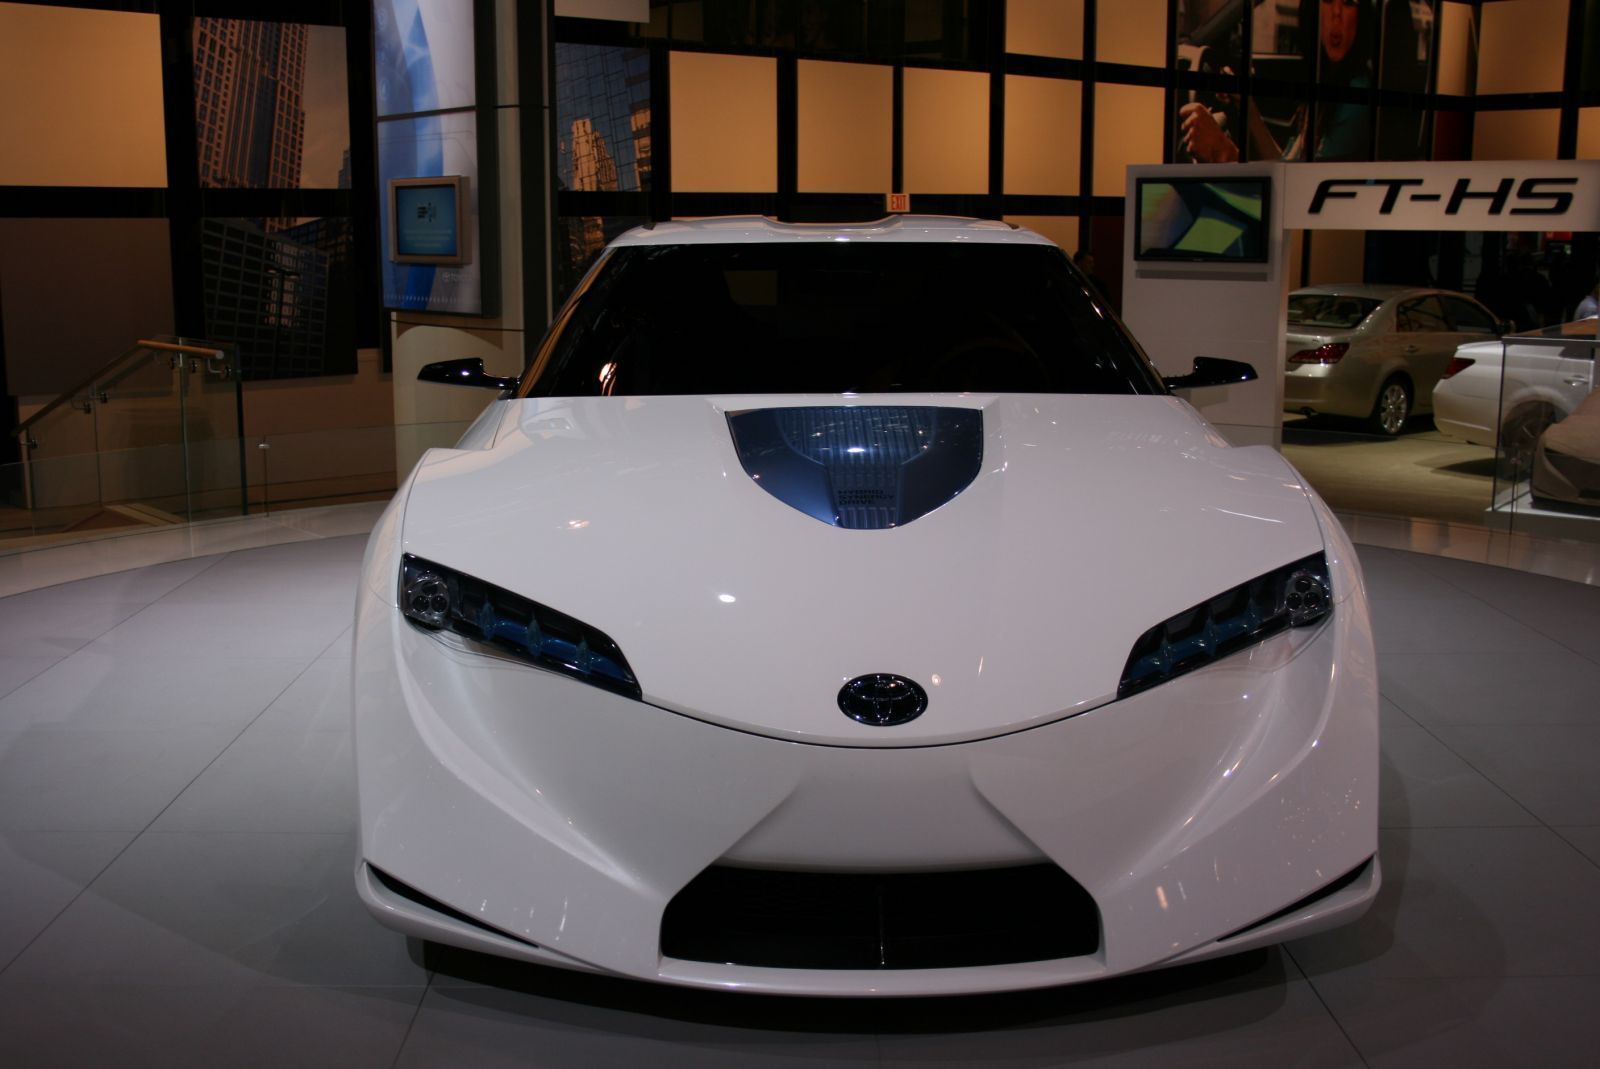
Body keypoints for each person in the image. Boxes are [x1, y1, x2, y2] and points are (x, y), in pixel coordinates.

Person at [1180, 0, 1372, 163]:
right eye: (1328, 0)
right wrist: (1246, 105)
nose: (1337, 14)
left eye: (1349, 2)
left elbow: (1300, 188)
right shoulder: (1326, 82)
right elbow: (1285, 165)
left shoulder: (1356, 94)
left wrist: (1222, 150)